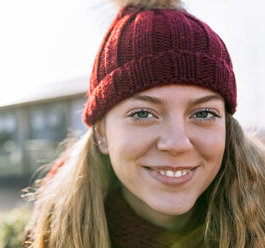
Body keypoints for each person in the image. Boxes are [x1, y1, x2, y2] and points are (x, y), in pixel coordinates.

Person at [23, 0, 265, 247]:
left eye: (203, 114)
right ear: (101, 133)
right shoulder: (51, 234)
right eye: (142, 114)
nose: (178, 144)